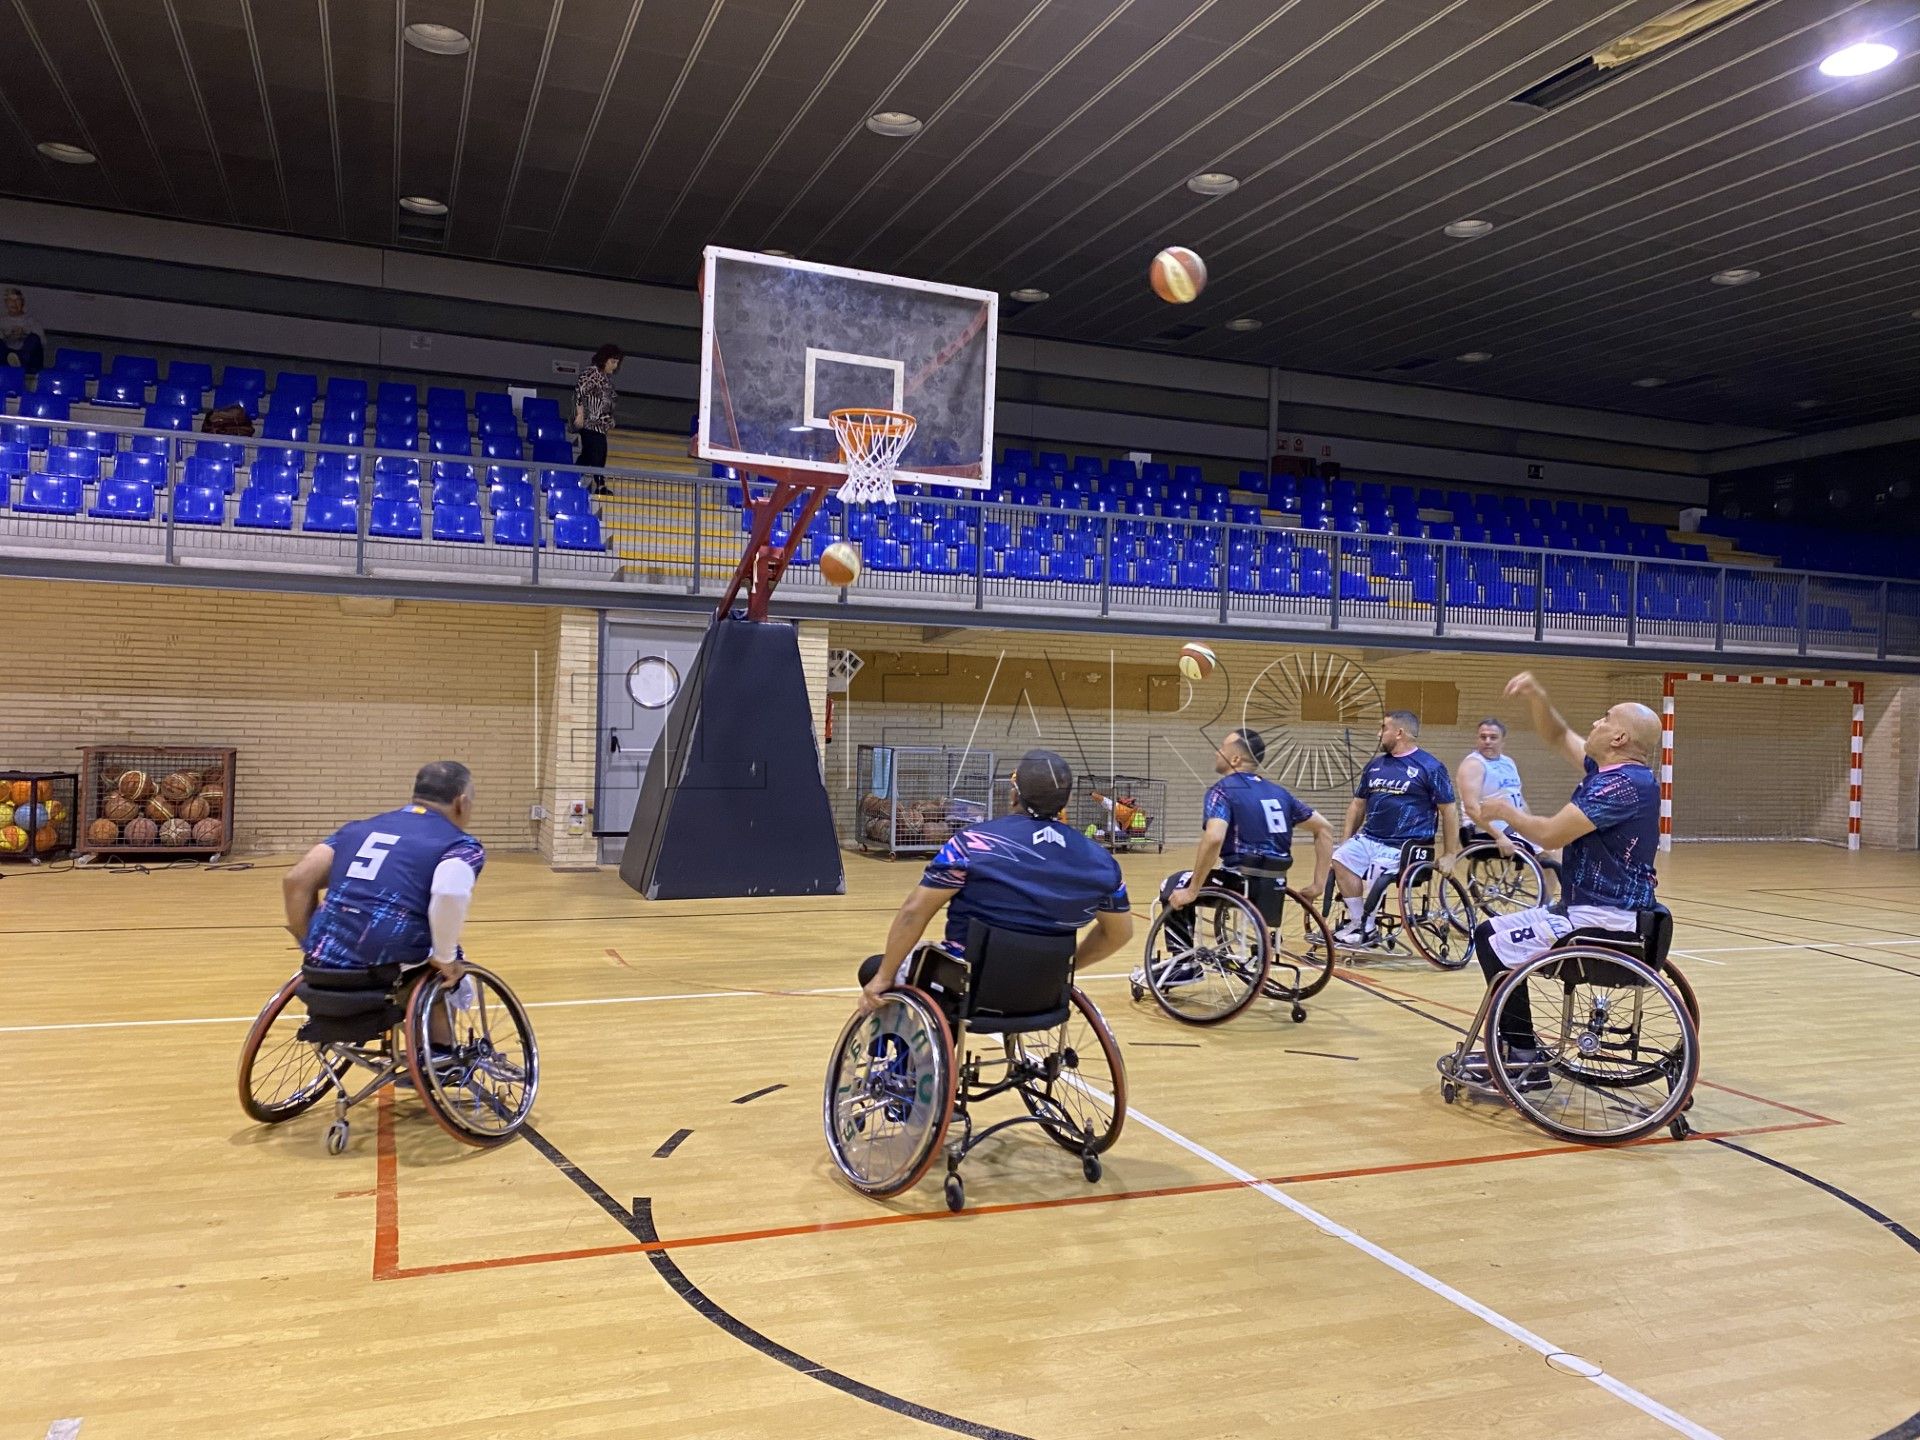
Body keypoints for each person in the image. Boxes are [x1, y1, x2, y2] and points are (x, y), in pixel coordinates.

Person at [1467, 672, 1663, 1072]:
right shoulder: (1613, 773)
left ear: (1619, 738)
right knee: (1487, 933)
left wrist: (1505, 811)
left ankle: (1522, 1054)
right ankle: (1518, 1045)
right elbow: (1558, 736)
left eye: (1605, 718)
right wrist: (1538, 696)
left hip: (1600, 917)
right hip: (1586, 908)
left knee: (1494, 944)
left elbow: (1550, 833)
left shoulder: (1620, 786)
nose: (1595, 723)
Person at [856, 750, 1134, 1016]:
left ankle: (920, 1048)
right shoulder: (1102, 863)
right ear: (1067, 800)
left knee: (873, 969)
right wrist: (1066, 969)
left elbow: (913, 913)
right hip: (1044, 988)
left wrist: (883, 977)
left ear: (1014, 794)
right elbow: (1119, 934)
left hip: (970, 985)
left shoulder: (972, 844)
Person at [282, 760, 484, 990]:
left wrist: (313, 943)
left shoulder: (356, 829)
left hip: (324, 955)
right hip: (388, 958)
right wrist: (445, 958)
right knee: (446, 973)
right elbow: (448, 892)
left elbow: (296, 880)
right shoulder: (460, 844)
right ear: (462, 803)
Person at [1160, 728, 1332, 948]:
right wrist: (1318, 885)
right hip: (1274, 885)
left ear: (1235, 759)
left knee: (1173, 884)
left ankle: (1183, 963)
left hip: (1239, 884)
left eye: (1222, 748)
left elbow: (1214, 838)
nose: (1216, 752)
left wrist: (1192, 891)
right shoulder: (1280, 794)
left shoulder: (1223, 791)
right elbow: (1324, 829)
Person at [1331, 710, 1460, 947]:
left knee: (1377, 869)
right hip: (1370, 838)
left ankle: (1366, 927)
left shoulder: (1430, 767)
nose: (1378, 734)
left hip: (1407, 846)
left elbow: (1449, 810)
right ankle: (1361, 923)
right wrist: (1346, 840)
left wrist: (1450, 854)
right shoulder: (1375, 765)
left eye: (1383, 728)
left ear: (1399, 733)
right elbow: (1358, 805)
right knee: (1340, 857)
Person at [1455, 716, 1560, 897]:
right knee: (1553, 855)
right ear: (1477, 739)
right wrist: (1500, 836)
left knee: (1557, 846)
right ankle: (1548, 905)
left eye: (1493, 737)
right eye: (1483, 737)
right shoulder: (1473, 765)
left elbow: (1519, 800)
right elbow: (1471, 809)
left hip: (1513, 825)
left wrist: (1531, 824)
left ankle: (1548, 902)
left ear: (1503, 741)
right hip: (1487, 831)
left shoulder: (1508, 762)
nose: (1487, 741)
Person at [572, 344, 622, 495]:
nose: (615, 366)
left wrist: (609, 418)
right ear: (604, 360)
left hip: (600, 424)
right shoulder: (591, 373)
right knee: (598, 452)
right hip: (590, 422)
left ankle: (572, 478)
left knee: (589, 454)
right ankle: (600, 484)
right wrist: (580, 414)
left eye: (617, 362)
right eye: (613, 362)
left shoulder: (606, 379)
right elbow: (579, 392)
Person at [1, 288, 45, 373]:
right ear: (6, 302)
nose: (14, 303)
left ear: (22, 302)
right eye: (11, 300)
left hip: (28, 361)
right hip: (6, 356)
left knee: (34, 338)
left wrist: (24, 334)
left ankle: (20, 360)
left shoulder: (32, 321)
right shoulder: (2, 321)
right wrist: (9, 335)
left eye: (17, 300)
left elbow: (42, 342)